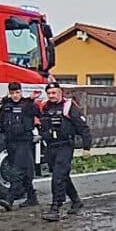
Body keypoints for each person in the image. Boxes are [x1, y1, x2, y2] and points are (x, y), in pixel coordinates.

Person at [37, 80, 92, 220]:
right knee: (63, 176)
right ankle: (76, 201)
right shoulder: (44, 107)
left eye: (54, 93)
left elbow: (83, 127)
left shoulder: (69, 106)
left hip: (65, 145)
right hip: (51, 146)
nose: (51, 95)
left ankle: (55, 207)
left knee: (57, 177)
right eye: (49, 93)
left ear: (60, 93)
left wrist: (87, 147)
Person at [0, 81, 40, 211]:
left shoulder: (27, 105)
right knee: (22, 170)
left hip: (24, 141)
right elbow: (0, 121)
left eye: (17, 92)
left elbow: (38, 113)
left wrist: (31, 100)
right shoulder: (6, 106)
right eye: (13, 93)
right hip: (10, 142)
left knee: (17, 171)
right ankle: (32, 197)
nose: (15, 95)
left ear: (21, 92)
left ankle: (10, 198)